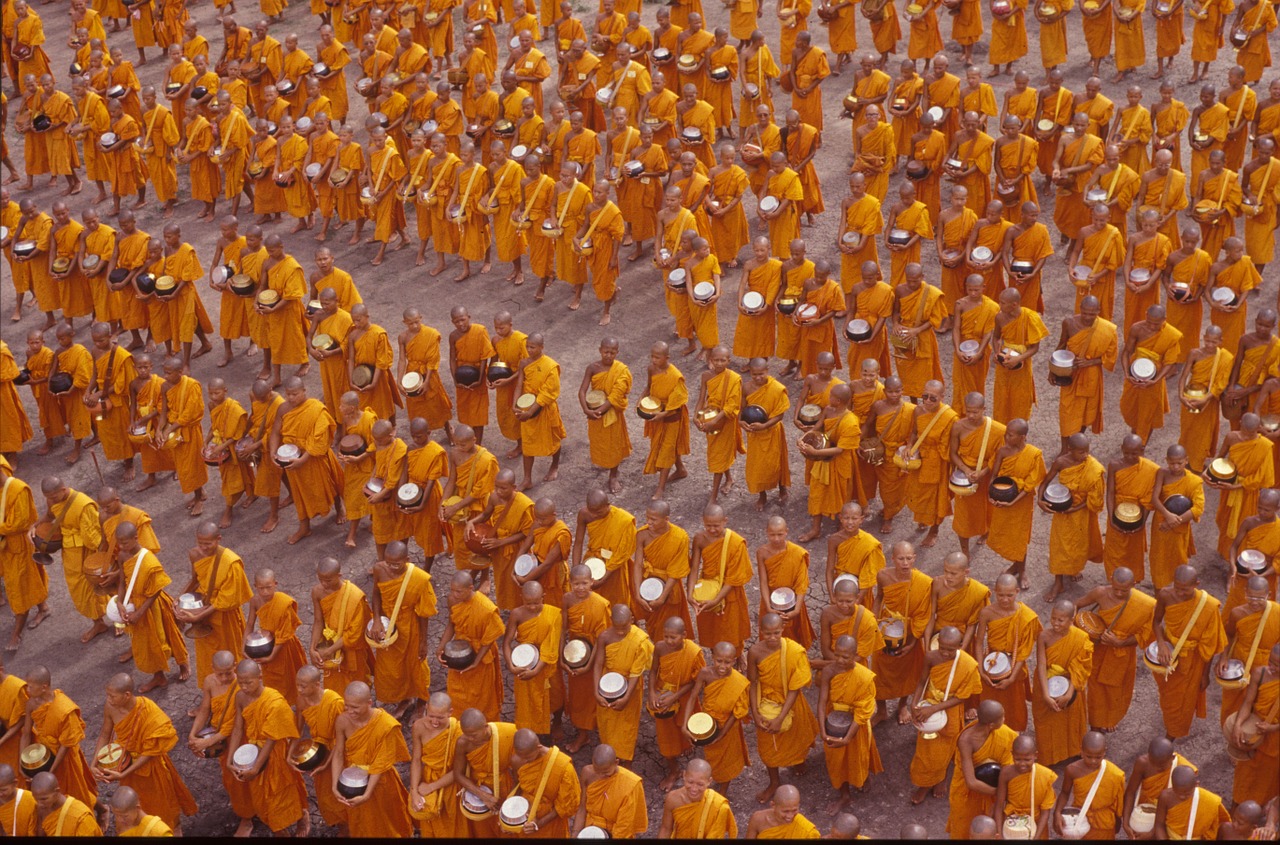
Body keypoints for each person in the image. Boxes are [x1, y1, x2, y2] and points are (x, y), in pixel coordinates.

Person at [90, 673, 197, 832]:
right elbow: (105, 734)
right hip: (125, 764)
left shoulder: (148, 709)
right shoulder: (110, 707)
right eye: (108, 695)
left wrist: (124, 774)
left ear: (127, 695)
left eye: (112, 696)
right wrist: (94, 763)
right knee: (131, 810)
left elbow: (150, 752)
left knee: (164, 809)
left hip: (151, 769)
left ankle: (171, 830)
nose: (109, 699)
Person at [226, 659, 309, 836]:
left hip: (275, 753)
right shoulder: (240, 697)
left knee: (285, 791)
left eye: (249, 682)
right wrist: (230, 758)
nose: (245, 687)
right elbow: (238, 728)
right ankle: (279, 830)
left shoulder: (274, 702)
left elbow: (272, 740)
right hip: (253, 751)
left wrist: (256, 768)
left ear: (260, 677)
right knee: (262, 798)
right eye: (240, 682)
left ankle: (302, 817)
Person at [110, 522, 191, 693]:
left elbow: (155, 592)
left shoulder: (149, 560)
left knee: (167, 637)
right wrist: (120, 602)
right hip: (135, 604)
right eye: (119, 543)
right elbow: (124, 582)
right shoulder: (123, 556)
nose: (122, 546)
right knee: (146, 643)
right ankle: (159, 676)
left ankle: (183, 663)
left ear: (136, 538)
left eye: (125, 542)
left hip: (153, 606)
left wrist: (140, 613)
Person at [748, 612, 820, 804]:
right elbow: (753, 682)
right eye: (768, 633)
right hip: (766, 703)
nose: (772, 638)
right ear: (761, 631)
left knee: (797, 737)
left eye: (776, 633)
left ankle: (798, 761)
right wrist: (755, 712)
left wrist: (781, 717)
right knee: (768, 746)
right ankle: (774, 781)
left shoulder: (794, 651)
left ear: (783, 630)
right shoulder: (755, 652)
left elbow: (796, 688)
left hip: (791, 702)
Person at [1074, 566, 1155, 732]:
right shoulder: (1100, 593)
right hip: (1098, 650)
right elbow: (1077, 604)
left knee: (1115, 691)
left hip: (1121, 654)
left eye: (1124, 590)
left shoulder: (1146, 604)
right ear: (1111, 579)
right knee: (1096, 692)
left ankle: (1109, 718)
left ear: (1134, 584)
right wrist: (1077, 627)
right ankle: (1096, 726)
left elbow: (1145, 634)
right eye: (1116, 588)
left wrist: (1120, 642)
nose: (1118, 594)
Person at [908, 626, 983, 805]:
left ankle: (939, 779)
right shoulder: (931, 656)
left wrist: (933, 710)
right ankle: (926, 782)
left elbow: (962, 697)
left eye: (950, 649)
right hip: (929, 702)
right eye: (942, 647)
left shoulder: (968, 664)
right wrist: (914, 702)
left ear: (960, 646)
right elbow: (922, 681)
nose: (945, 652)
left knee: (946, 747)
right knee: (926, 749)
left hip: (949, 707)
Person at [1151, 564, 1228, 739]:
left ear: (1197, 584)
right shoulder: (1165, 595)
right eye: (1176, 587)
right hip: (1170, 653)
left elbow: (1208, 647)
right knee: (1168, 696)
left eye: (1185, 590)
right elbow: (1156, 622)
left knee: (1183, 701)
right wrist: (1161, 644)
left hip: (1193, 660)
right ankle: (1170, 723)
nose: (1179, 593)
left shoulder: (1208, 606)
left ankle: (1172, 732)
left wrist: (1204, 674)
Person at [330, 681, 413, 837]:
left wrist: (367, 794)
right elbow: (339, 753)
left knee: (388, 823)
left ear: (369, 702)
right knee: (362, 824)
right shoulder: (342, 720)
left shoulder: (385, 724)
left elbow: (380, 764)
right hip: (352, 782)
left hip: (381, 782)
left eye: (355, 707)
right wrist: (335, 784)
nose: (350, 711)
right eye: (347, 705)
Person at [269, 377, 343, 545]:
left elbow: (320, 438)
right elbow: (275, 432)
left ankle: (339, 509)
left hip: (315, 457)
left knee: (330, 485)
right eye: (288, 394)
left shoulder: (316, 408)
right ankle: (304, 526)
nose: (291, 398)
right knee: (299, 492)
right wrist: (273, 453)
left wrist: (303, 459)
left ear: (304, 391)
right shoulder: (283, 409)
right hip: (292, 458)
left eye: (295, 394)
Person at [177, 521, 252, 684]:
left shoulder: (230, 562)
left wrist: (198, 617)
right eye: (200, 543)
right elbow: (195, 580)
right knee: (207, 657)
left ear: (218, 539)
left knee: (228, 655)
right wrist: (178, 600)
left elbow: (226, 600)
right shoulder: (195, 554)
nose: (203, 547)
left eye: (208, 544)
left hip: (223, 616)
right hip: (202, 611)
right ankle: (211, 691)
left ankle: (235, 692)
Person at [368, 542, 436, 720]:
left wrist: (423, 641)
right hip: (388, 626)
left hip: (411, 626)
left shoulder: (419, 579)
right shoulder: (379, 569)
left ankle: (422, 701)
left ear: (407, 559)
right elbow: (376, 593)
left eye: (396, 564)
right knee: (390, 668)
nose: (391, 567)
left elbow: (424, 614)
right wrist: (376, 619)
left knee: (416, 665)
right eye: (388, 562)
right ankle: (405, 699)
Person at [1039, 433, 1105, 602]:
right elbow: (1045, 482)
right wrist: (1040, 500)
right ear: (1070, 450)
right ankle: (1058, 582)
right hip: (1063, 511)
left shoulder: (1093, 467)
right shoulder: (1061, 462)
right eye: (1081, 452)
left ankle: (1073, 569)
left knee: (1079, 545)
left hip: (1082, 512)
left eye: (1087, 451)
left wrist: (1076, 508)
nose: (1085, 456)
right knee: (1059, 546)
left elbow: (1094, 497)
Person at [975, 574, 1042, 731]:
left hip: (1014, 667)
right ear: (995, 591)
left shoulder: (1026, 616)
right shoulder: (987, 612)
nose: (1005, 600)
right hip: (991, 665)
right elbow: (978, 643)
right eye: (1001, 595)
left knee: (1014, 706)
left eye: (1009, 595)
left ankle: (1012, 735)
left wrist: (1011, 678)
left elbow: (1023, 653)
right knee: (989, 704)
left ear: (1017, 591)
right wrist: (981, 669)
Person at [1030, 600, 1092, 766]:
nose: (1055, 623)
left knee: (1072, 719)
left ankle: (1073, 750)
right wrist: (1044, 694)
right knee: (1045, 721)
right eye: (1053, 618)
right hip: (1046, 682)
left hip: (1071, 684)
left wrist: (1069, 693)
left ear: (1071, 620)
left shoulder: (1081, 638)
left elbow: (1079, 668)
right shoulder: (1044, 636)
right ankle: (1048, 757)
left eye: (1061, 620)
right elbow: (1041, 665)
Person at [986, 420, 1046, 589]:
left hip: (1021, 502)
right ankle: (1015, 566)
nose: (1006, 437)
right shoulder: (1003, 451)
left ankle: (1022, 570)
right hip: (1002, 498)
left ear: (1022, 437)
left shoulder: (1034, 454)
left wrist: (1013, 502)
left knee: (1019, 538)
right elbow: (994, 475)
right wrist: (990, 495)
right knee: (1007, 536)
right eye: (1006, 433)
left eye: (1010, 435)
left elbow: (1029, 485)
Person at [438, 570, 504, 721]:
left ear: (471, 588)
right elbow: (452, 623)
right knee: (456, 692)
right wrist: (441, 647)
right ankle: (460, 725)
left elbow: (488, 641)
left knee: (482, 698)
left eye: (459, 591)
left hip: (481, 656)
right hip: (458, 652)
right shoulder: (452, 600)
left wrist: (476, 662)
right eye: (452, 590)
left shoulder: (486, 608)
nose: (455, 595)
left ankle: (483, 728)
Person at [592, 604, 652, 764]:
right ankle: (609, 756)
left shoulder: (640, 640)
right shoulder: (604, 636)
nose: (620, 632)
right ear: (610, 620)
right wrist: (597, 691)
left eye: (624, 627)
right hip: (607, 684)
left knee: (627, 727)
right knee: (607, 724)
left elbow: (635, 672)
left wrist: (626, 697)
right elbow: (598, 664)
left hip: (631, 687)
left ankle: (626, 761)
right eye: (616, 627)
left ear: (632, 620)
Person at [946, 700, 1016, 839]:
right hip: (968, 790)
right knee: (964, 825)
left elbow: (1010, 763)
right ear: (991, 725)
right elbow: (971, 782)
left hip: (994, 779)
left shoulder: (1004, 733)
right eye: (1002, 718)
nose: (1004, 719)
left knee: (991, 827)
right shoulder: (966, 740)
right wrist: (1000, 794)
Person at [0, 457, 49, 651]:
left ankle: (16, 634)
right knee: (31, 577)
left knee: (18, 588)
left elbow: (18, 524)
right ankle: (43, 608)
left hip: (20, 544)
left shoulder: (18, 489)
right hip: (7, 546)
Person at [688, 504, 752, 651]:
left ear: (725, 521)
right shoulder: (700, 538)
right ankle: (716, 654)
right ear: (702, 521)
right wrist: (690, 594)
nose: (711, 530)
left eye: (716, 526)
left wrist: (716, 600)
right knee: (712, 629)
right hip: (708, 589)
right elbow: (694, 568)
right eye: (708, 525)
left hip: (730, 591)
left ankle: (738, 655)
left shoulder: (735, 542)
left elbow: (733, 578)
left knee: (732, 629)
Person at [292, 665, 346, 831]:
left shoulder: (334, 702)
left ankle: (350, 826)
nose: (299, 690)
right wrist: (290, 753)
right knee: (326, 796)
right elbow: (298, 729)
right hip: (318, 751)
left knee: (342, 790)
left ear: (317, 684)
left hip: (339, 753)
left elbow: (340, 739)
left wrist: (325, 764)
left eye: (304, 686)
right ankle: (342, 824)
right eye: (298, 685)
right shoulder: (301, 700)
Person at [504, 581, 560, 738]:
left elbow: (551, 646)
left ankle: (557, 722)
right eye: (528, 603)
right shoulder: (517, 614)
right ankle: (529, 732)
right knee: (526, 702)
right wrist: (511, 666)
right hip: (524, 663)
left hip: (547, 663)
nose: (533, 607)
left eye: (536, 602)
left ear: (543, 597)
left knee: (555, 696)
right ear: (521, 598)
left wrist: (537, 670)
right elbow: (507, 642)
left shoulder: (554, 614)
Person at [308, 557, 372, 696]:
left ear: (339, 575)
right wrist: (313, 648)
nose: (324, 584)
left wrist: (330, 650)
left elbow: (354, 634)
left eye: (329, 580)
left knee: (356, 690)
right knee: (334, 691)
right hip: (330, 647)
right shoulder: (317, 592)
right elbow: (318, 621)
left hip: (350, 649)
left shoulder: (354, 596)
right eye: (320, 579)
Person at [407, 692, 465, 837]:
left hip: (450, 783)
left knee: (452, 825)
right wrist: (414, 791)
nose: (434, 721)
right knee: (429, 822)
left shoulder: (457, 731)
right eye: (431, 715)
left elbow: (459, 770)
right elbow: (416, 759)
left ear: (450, 713)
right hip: (427, 778)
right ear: (426, 707)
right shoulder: (418, 726)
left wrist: (431, 787)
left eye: (440, 717)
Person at [579, 338, 632, 493]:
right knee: (600, 441)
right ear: (599, 350)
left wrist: (599, 411)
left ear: (617, 352)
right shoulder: (592, 368)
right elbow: (582, 390)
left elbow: (615, 396)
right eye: (606, 352)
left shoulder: (621, 370)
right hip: (594, 411)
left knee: (613, 444)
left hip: (611, 412)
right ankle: (604, 462)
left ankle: (613, 476)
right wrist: (586, 409)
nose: (609, 355)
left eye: (612, 352)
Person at [1230, 644, 1280, 807]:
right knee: (1244, 777)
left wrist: (1273, 728)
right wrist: (1238, 724)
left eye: (1277, 665)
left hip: (1275, 740)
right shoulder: (1261, 673)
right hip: (1254, 732)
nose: (1272, 667)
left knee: (1266, 782)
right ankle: (1235, 811)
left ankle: (1254, 815)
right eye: (1270, 662)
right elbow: (1248, 702)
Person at [1050, 731, 1126, 838]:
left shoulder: (1115, 773)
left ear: (1105, 751)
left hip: (1104, 823)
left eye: (1098, 757)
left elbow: (1118, 802)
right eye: (1089, 756)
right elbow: (1064, 793)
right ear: (1081, 750)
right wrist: (1057, 813)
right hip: (1080, 819)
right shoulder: (1072, 770)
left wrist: (1118, 822)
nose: (1093, 761)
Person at [509, 728, 581, 836]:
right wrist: (511, 816)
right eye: (521, 756)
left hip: (550, 821)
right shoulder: (517, 759)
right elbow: (517, 786)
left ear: (538, 747)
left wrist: (539, 823)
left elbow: (564, 806)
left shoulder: (563, 767)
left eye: (528, 758)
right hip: (524, 815)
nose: (524, 761)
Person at [574, 743, 648, 837]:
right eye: (597, 771)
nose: (601, 775)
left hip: (615, 831)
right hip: (591, 829)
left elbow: (624, 826)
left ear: (616, 762)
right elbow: (582, 808)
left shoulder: (630, 785)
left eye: (605, 772)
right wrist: (576, 834)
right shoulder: (587, 773)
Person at [992, 734, 1057, 836]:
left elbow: (1045, 812)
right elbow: (999, 805)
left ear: (1035, 756)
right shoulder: (1006, 773)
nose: (1022, 764)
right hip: (1011, 824)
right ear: (1012, 754)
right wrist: (999, 833)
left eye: (1027, 760)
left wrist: (1036, 837)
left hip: (1036, 823)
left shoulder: (1045, 775)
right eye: (1018, 759)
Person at [657, 757, 736, 838]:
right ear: (684, 775)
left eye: (700, 784)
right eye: (690, 782)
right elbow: (666, 828)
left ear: (709, 781)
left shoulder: (718, 806)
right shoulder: (673, 799)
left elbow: (716, 834)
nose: (694, 789)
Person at [1154, 765, 1230, 839]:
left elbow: (1216, 827)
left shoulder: (1209, 800)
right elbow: (1159, 824)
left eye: (1187, 793)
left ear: (1196, 784)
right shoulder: (1165, 797)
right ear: (1173, 786)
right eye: (1178, 793)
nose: (1182, 797)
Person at [29, 772, 100, 837]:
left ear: (57, 791)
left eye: (44, 799)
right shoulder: (39, 808)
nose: (39, 804)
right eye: (36, 799)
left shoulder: (80, 817)